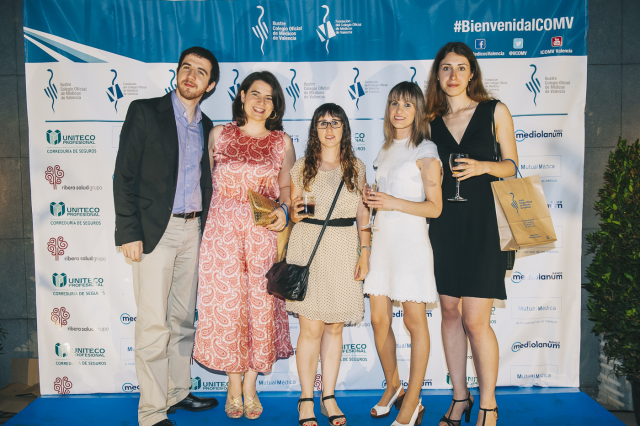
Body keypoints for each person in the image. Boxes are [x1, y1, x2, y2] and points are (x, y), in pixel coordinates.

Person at [113, 46, 221, 426]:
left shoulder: (207, 126)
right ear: (177, 72)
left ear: (210, 85)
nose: (191, 75)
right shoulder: (145, 112)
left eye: (201, 72)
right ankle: (151, 413)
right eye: (186, 67)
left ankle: (177, 391)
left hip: (194, 230)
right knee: (153, 324)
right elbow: (123, 175)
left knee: (182, 320)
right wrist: (128, 231)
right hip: (154, 232)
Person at [426, 42, 518, 426]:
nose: (453, 75)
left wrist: (482, 166)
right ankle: (460, 398)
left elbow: (512, 166)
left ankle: (488, 405)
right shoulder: (429, 123)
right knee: (450, 312)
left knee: (476, 320)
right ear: (437, 75)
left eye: (461, 67)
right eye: (446, 68)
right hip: (444, 226)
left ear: (472, 73)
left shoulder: (495, 110)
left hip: (484, 226)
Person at [194, 71, 295, 420]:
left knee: (261, 308)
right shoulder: (219, 135)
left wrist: (284, 210)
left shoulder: (282, 142)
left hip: (262, 234)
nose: (261, 102)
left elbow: (287, 188)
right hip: (221, 235)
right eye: (255, 94)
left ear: (275, 105)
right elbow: (204, 184)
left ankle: (251, 385)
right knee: (228, 309)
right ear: (241, 96)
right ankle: (233, 385)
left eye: (269, 98)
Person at [363, 82, 443, 426]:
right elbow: (383, 197)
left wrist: (392, 202)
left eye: (407, 105)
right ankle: (393, 385)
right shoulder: (384, 149)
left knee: (414, 322)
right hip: (383, 243)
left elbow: (435, 208)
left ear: (418, 111)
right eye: (394, 103)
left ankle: (413, 399)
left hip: (410, 246)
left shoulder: (425, 149)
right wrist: (372, 199)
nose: (399, 110)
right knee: (379, 319)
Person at [286, 103, 370, 426]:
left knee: (335, 327)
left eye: (335, 122)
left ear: (344, 128)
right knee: (311, 328)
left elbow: (363, 215)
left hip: (344, 248)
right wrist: (294, 212)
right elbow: (294, 214)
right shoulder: (302, 166)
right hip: (308, 247)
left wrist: (365, 252)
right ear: (315, 130)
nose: (329, 128)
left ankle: (329, 397)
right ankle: (306, 399)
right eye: (322, 123)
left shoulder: (356, 167)